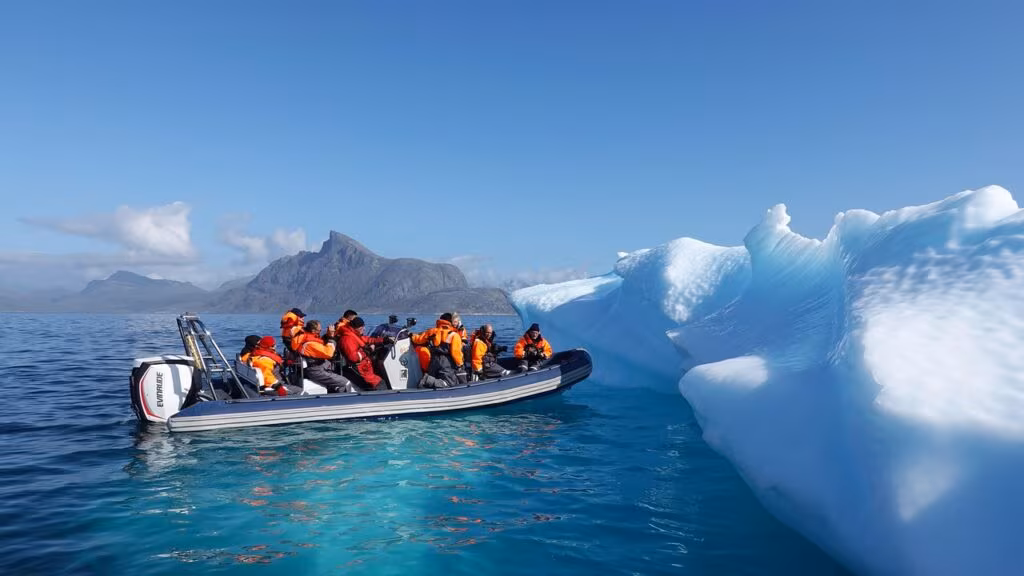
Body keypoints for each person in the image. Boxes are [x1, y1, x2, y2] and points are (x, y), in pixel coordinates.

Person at [290, 320, 354, 393]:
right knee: (345, 383)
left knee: (336, 380)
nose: (320, 331)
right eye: (319, 330)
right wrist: (331, 337)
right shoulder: (310, 344)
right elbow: (329, 353)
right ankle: (344, 400)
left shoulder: (306, 337)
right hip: (315, 370)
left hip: (317, 367)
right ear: (313, 331)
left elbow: (320, 344)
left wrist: (327, 336)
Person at [338, 316, 392, 390]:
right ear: (357, 328)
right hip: (360, 370)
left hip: (364, 367)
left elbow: (368, 340)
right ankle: (384, 399)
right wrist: (367, 351)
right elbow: (353, 357)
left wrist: (384, 340)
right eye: (362, 328)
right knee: (381, 384)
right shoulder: (348, 339)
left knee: (380, 379)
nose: (364, 329)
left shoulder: (354, 334)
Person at [412, 312, 465, 388]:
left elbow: (419, 339)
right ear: (450, 322)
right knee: (449, 383)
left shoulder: (432, 331)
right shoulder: (454, 335)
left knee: (434, 381)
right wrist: (460, 364)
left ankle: (427, 383)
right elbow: (456, 353)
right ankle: (427, 379)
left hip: (433, 360)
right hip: (446, 362)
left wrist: (411, 336)